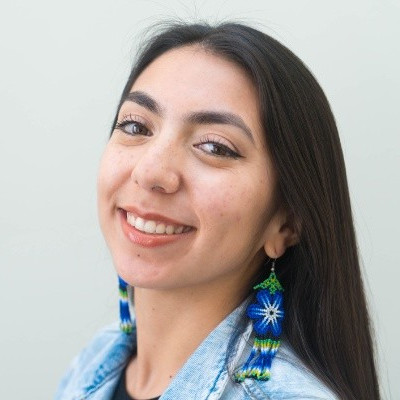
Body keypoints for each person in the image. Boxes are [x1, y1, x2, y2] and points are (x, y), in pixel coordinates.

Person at [55, 22, 380, 400]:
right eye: (136, 126)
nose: (150, 172)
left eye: (215, 147)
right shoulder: (93, 363)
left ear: (286, 224)